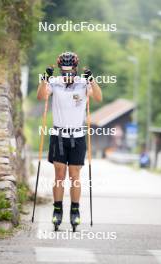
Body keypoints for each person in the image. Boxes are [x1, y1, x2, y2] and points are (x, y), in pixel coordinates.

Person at [37, 51, 102, 229]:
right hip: (58, 135)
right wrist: (44, 78)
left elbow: (98, 97)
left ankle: (75, 210)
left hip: (77, 136)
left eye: (71, 71)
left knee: (75, 176)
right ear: (60, 70)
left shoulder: (83, 83)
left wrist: (92, 80)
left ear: (75, 69)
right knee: (59, 175)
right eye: (64, 72)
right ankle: (57, 210)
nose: (67, 75)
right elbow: (41, 96)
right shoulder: (54, 82)